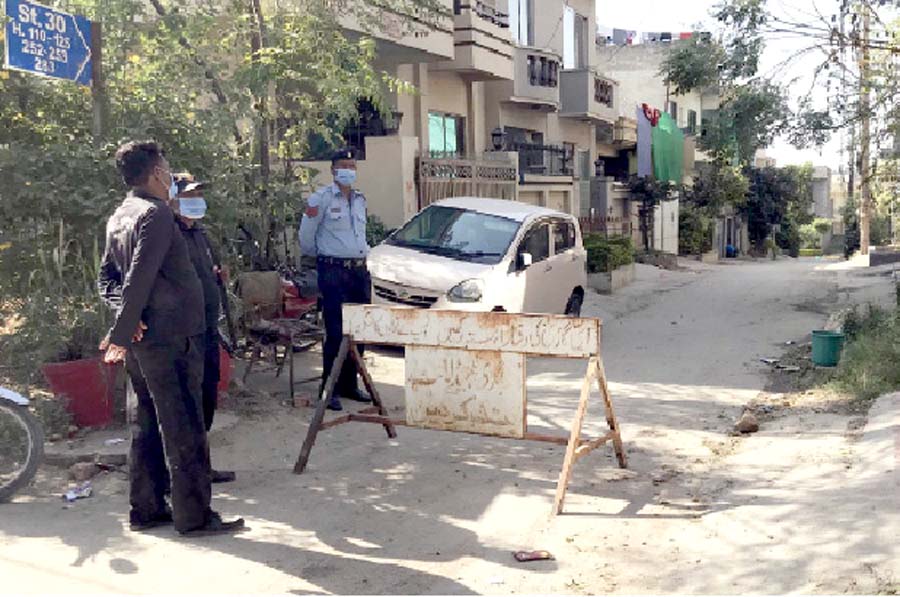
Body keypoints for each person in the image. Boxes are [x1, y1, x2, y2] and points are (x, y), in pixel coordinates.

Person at [97, 140, 244, 536]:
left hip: (149, 339)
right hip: (173, 338)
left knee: (145, 424)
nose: (170, 174)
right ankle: (194, 517)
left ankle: (146, 508)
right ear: (158, 173)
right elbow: (139, 276)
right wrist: (123, 329)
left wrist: (126, 323)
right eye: (167, 167)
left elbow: (107, 280)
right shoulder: (156, 214)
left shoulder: (120, 214)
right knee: (185, 427)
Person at [173, 173, 236, 484]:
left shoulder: (200, 233)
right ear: (173, 200)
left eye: (197, 196)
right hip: (183, 334)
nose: (195, 202)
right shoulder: (168, 235)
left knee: (207, 397)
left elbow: (204, 271)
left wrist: (217, 276)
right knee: (188, 403)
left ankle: (202, 467)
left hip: (208, 327)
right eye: (188, 197)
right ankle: (186, 474)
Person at [299, 148, 373, 412]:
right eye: (343, 166)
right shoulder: (319, 199)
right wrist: (324, 259)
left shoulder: (360, 199)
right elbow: (306, 238)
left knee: (360, 329)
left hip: (359, 271)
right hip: (334, 271)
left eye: (352, 166)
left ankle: (349, 384)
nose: (348, 170)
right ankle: (328, 390)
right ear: (332, 170)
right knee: (336, 330)